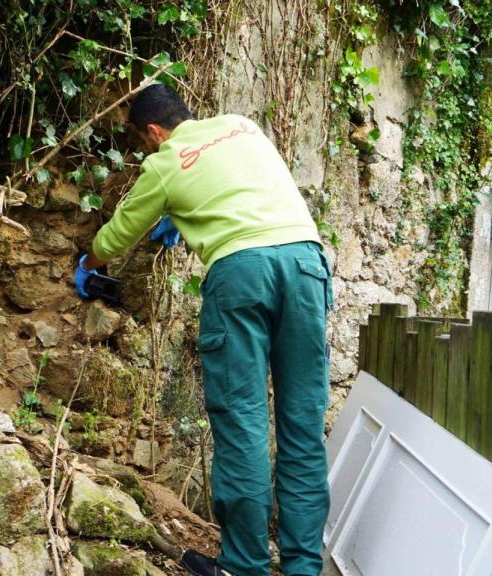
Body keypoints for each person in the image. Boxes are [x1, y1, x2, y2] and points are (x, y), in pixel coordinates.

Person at [73, 83, 333, 576]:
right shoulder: (242, 126)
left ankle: (245, 566)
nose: (147, 150)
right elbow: (236, 184)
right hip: (305, 264)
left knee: (243, 423)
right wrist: (182, 212)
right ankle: (303, 567)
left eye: (144, 142)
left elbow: (121, 233)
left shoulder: (164, 164)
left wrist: (89, 263)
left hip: (242, 274)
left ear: (153, 131)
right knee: (302, 423)